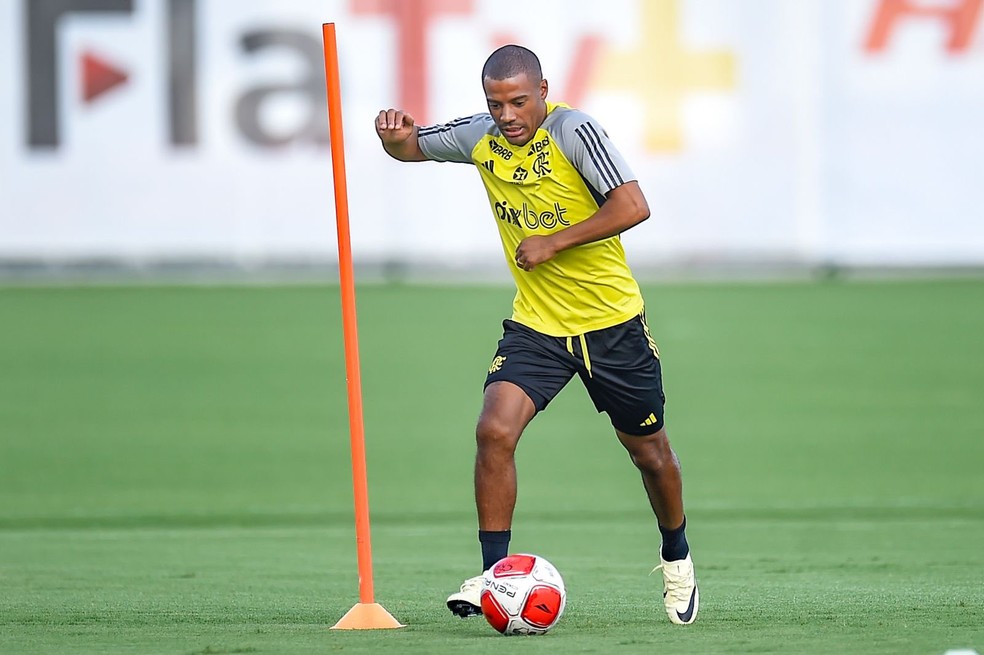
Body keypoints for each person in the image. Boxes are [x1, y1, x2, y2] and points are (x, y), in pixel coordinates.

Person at [374, 44, 698, 626]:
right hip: (537, 326)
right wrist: (393, 135)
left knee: (650, 455)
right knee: (493, 430)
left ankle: (676, 556)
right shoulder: (481, 137)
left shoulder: (575, 132)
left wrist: (555, 241)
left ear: (544, 90)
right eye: (496, 104)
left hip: (611, 326)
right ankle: (493, 578)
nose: (508, 115)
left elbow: (632, 205)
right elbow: (411, 148)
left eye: (519, 101)